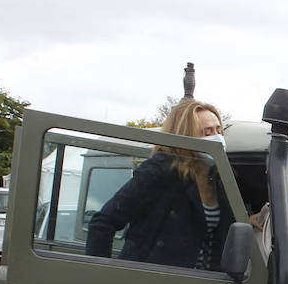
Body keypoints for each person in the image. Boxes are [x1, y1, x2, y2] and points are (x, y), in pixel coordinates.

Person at [86, 99, 237, 269]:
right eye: (207, 132)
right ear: (187, 137)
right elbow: (103, 223)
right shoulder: (160, 172)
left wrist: (248, 218)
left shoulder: (218, 178)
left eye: (218, 130)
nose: (217, 138)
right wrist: (102, 278)